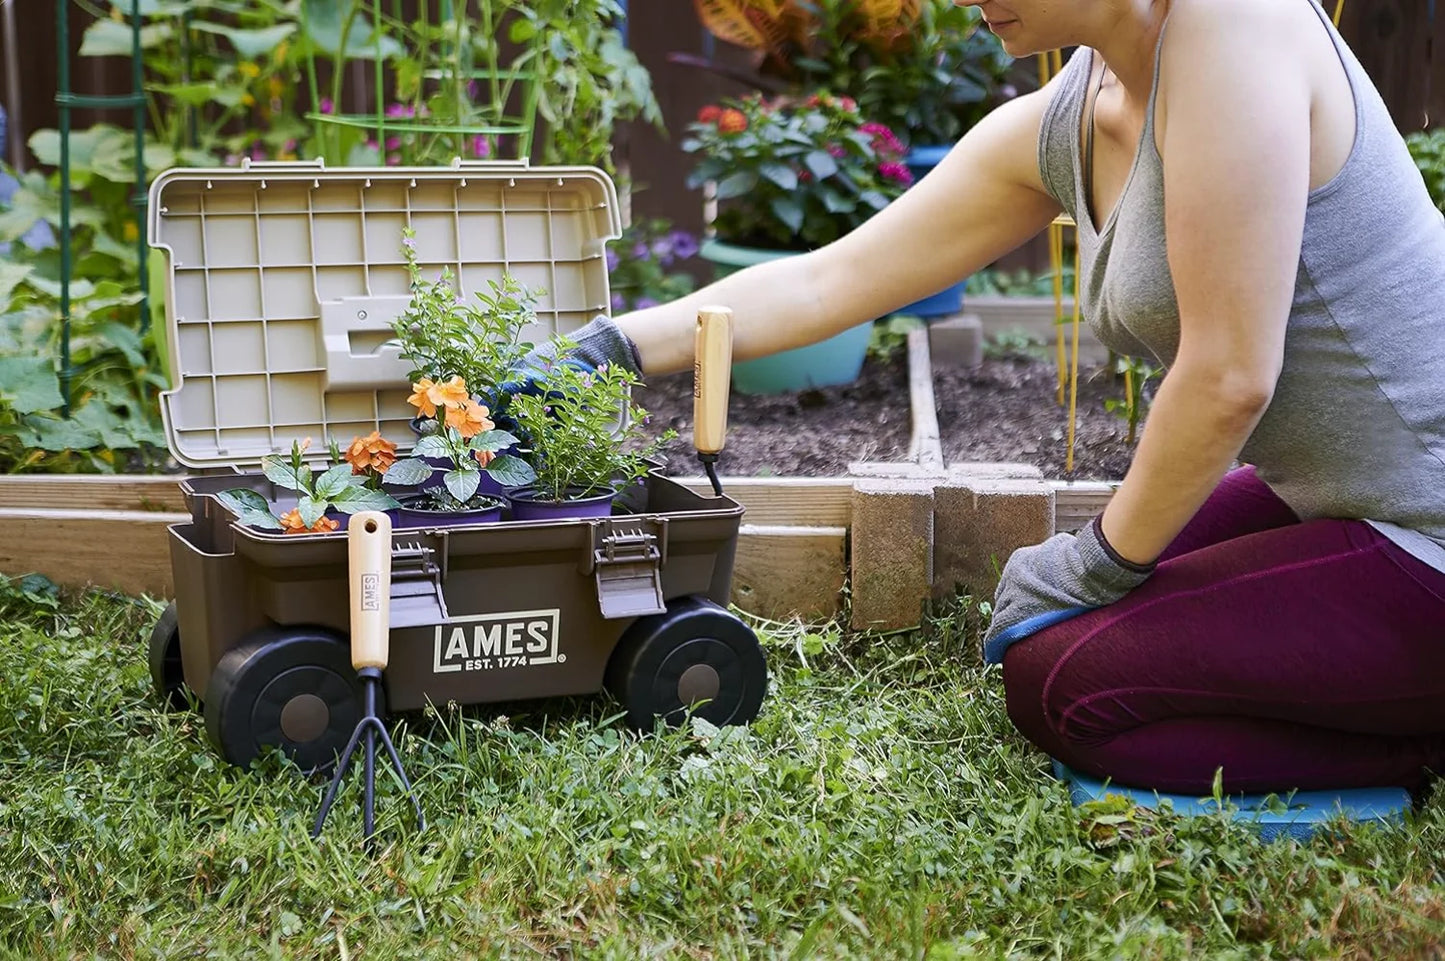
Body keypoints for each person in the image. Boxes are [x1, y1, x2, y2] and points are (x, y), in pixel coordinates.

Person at [516, 0, 1445, 796]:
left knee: (1060, 685)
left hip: (1426, 529)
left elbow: (1229, 374)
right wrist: (606, 349)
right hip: (1345, 496)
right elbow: (825, 282)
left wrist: (1097, 561)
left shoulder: (1233, 28)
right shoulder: (1079, 112)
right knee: (1070, 636)